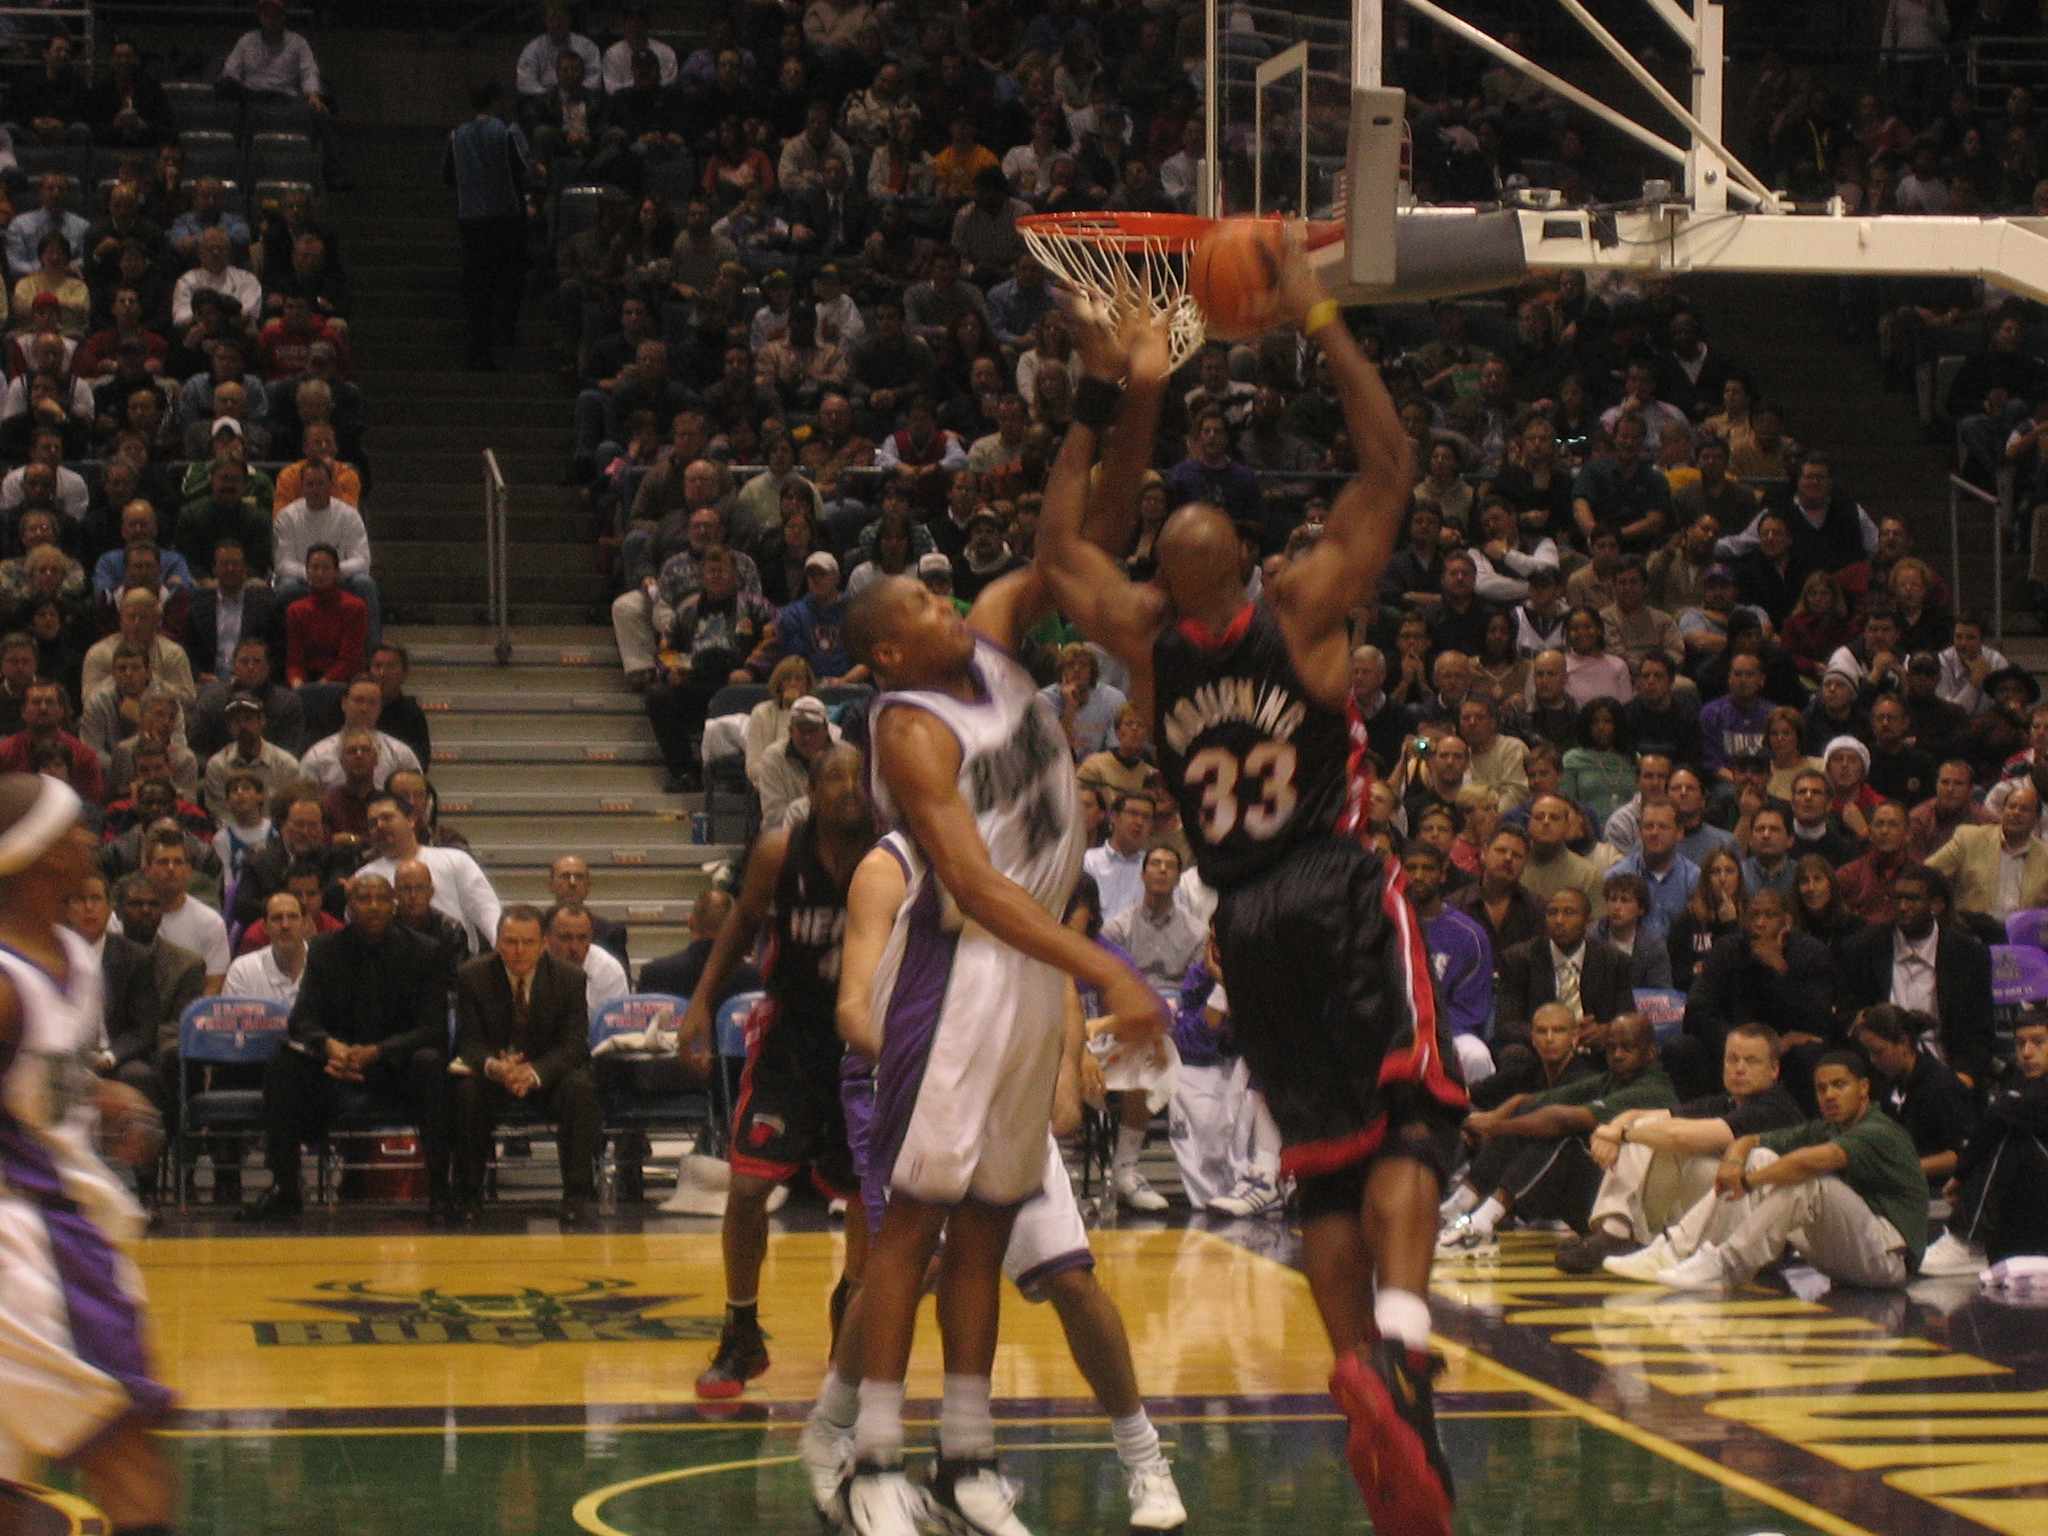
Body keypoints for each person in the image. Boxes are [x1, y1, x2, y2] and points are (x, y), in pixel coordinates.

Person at [1035, 245, 1468, 1536]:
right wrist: (1316, 320)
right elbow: (1390, 465)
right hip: (1335, 885)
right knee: (1418, 1122)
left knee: (1325, 1172)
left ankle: (1377, 1399)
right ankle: (1398, 1331)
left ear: (1174, 581)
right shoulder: (1308, 605)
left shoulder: (1148, 652)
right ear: (1253, 564)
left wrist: (1129, 392)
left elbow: (1064, 549)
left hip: (1244, 921)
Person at [821, 549, 1163, 1536]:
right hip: (959, 978)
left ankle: (963, 1459)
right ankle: (872, 1461)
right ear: (890, 648)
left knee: (984, 1237)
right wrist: (1105, 969)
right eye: (927, 602)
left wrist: (1107, 408)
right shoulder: (912, 733)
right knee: (913, 1232)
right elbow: (973, 888)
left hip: (1026, 972)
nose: (950, 603)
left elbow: (1066, 546)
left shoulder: (994, 651)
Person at [812, 830, 1187, 1535]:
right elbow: (853, 1010)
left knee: (1072, 1280)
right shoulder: (888, 866)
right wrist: (936, 1073)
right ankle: (844, 1436)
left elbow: (1053, 976)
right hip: (913, 1084)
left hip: (1003, 1089)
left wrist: (1064, 1073)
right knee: (907, 1262)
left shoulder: (1027, 860)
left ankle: (1142, 1458)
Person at [0, 774, 177, 1530]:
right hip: (26, 1246)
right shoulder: (5, 984)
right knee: (123, 1444)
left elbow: (42, 1083)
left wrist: (104, 1102)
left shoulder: (73, 956)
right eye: (73, 830)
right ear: (39, 856)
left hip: (65, 1223)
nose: (88, 840)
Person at [677, 744, 873, 1395]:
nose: (848, 787)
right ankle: (740, 1334)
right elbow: (739, 926)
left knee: (868, 1197)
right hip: (791, 1035)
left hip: (869, 1041)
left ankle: (852, 1302)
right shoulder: (775, 853)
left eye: (857, 777)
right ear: (810, 791)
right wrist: (702, 1001)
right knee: (748, 1187)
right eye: (834, 776)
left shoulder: (894, 852)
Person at [1603, 1051, 1926, 1290]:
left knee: (1808, 1185)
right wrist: (1736, 1161)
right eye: (1822, 1088)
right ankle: (1677, 1251)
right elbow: (1753, 1140)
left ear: (1864, 1088)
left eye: (1839, 1085)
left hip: (1888, 1259)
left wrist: (1747, 1180)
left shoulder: (1879, 1130)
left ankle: (1725, 1265)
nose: (1829, 1095)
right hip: (1843, 1255)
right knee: (1759, 1156)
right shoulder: (1828, 1126)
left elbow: (1813, 1162)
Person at [243, 873, 454, 1223]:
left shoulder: (426, 952)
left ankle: (441, 1192)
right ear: (349, 907)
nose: (373, 906)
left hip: (396, 1068)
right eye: (363, 898)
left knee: (431, 1062)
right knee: (283, 1063)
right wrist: (330, 1046)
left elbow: (432, 1028)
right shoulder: (325, 950)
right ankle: (286, 1190)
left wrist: (379, 1052)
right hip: (336, 1067)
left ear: (394, 906)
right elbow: (302, 1020)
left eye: (381, 898)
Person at [1555, 1022, 1802, 1271]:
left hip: (1765, 1232)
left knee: (1654, 1137)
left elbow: (1680, 1138)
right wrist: (1612, 1133)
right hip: (1727, 1216)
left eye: (1751, 1061)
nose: (1739, 1068)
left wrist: (1621, 1135)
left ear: (1774, 1070)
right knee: (1646, 1129)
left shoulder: (1775, 1109)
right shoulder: (1726, 1102)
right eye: (1732, 1059)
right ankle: (1616, 1231)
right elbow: (1639, 1115)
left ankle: (1621, 1236)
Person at [1436, 1015, 1676, 1252]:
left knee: (1560, 1138)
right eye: (1611, 1048)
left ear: (1652, 1052)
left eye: (1627, 1048)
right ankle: (1457, 1208)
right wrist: (1496, 1117)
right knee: (1530, 1117)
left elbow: (1566, 1119)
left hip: (1637, 1212)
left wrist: (1496, 1127)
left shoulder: (1652, 1089)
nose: (1617, 1055)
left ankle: (1481, 1225)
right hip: (1603, 1198)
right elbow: (1529, 1101)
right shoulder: (1611, 1079)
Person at [450, 906, 601, 1225]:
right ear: (498, 943)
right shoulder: (472, 976)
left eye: (528, 942)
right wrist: (496, 1068)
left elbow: (574, 1045)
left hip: (546, 1075)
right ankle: (468, 1195)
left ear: (543, 943)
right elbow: (468, 1043)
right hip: (494, 1074)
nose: (519, 951)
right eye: (510, 941)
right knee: (466, 1092)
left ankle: (577, 1194)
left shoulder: (570, 978)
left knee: (581, 1088)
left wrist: (533, 1074)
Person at [1098, 842, 1202, 1211]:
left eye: (1169, 865)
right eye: (1154, 863)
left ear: (1178, 877)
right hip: (1127, 1024)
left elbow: (1197, 988)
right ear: (1142, 875)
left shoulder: (1196, 932)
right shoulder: (1118, 927)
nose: (1160, 870)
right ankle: (1125, 1168)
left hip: (1180, 1022)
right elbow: (1106, 988)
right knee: (1141, 1048)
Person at [1834, 863, 1995, 1086]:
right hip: (1878, 1068)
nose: (1902, 906)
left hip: (1946, 1067)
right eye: (1898, 898)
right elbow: (1844, 1015)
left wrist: (1964, 1078)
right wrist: (1860, 1019)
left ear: (1936, 904)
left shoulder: (1968, 956)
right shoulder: (1862, 948)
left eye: (1912, 899)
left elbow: (1979, 1033)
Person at [1925, 1006, 2048, 1273]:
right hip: (2032, 1211)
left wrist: (1961, 1175)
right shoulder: (2022, 1083)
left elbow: (1995, 1118)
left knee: (2013, 1138)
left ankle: (1968, 1240)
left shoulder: (2039, 1093)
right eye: (2019, 1044)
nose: (2026, 1053)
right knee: (2008, 1130)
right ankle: (1979, 1240)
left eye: (2038, 1042)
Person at [444, 82, 535, 372]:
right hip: (506, 217)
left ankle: (478, 348)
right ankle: (505, 332)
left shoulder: (458, 135)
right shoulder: (508, 131)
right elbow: (525, 167)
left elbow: (448, 176)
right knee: (510, 277)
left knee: (477, 287)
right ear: (497, 101)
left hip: (471, 220)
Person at [356, 792, 502, 953]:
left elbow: (487, 910)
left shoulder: (455, 860)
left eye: (387, 818)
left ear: (411, 820)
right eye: (372, 823)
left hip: (456, 960)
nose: (380, 826)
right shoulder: (364, 878)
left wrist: (502, 949)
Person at [1928, 780, 2048, 920]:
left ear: (2037, 819)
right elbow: (1928, 874)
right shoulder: (1969, 839)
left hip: (2022, 937)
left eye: (2025, 809)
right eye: (2011, 807)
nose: (2016, 813)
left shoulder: (2045, 855)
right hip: (1974, 931)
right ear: (2002, 811)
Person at [222, 889, 312, 1008]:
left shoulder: (327, 966)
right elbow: (231, 1023)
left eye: (293, 917)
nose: (285, 925)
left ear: (305, 923)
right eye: (277, 918)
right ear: (264, 927)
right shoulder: (243, 970)